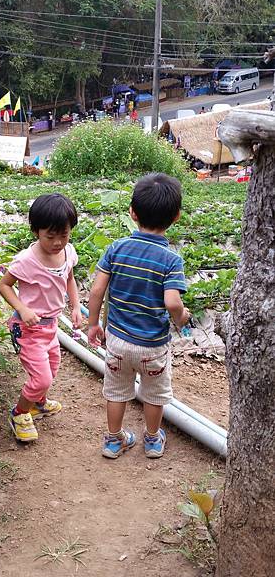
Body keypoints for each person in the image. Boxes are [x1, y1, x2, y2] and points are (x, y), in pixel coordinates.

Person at [88, 173, 190, 460]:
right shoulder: (171, 260)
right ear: (177, 216)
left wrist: (93, 323)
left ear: (132, 213)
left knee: (117, 390)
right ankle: (153, 439)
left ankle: (113, 440)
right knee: (154, 394)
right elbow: (172, 303)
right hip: (152, 345)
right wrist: (182, 317)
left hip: (117, 341)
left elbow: (96, 291)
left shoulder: (116, 248)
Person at [0, 194, 82, 442]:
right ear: (36, 231)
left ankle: (38, 402)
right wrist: (22, 308)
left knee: (52, 368)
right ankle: (19, 413)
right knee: (41, 376)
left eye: (64, 235)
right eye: (50, 236)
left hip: (51, 326)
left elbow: (69, 278)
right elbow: (4, 285)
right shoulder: (27, 260)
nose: (58, 242)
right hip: (28, 329)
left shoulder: (67, 252)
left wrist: (76, 306)